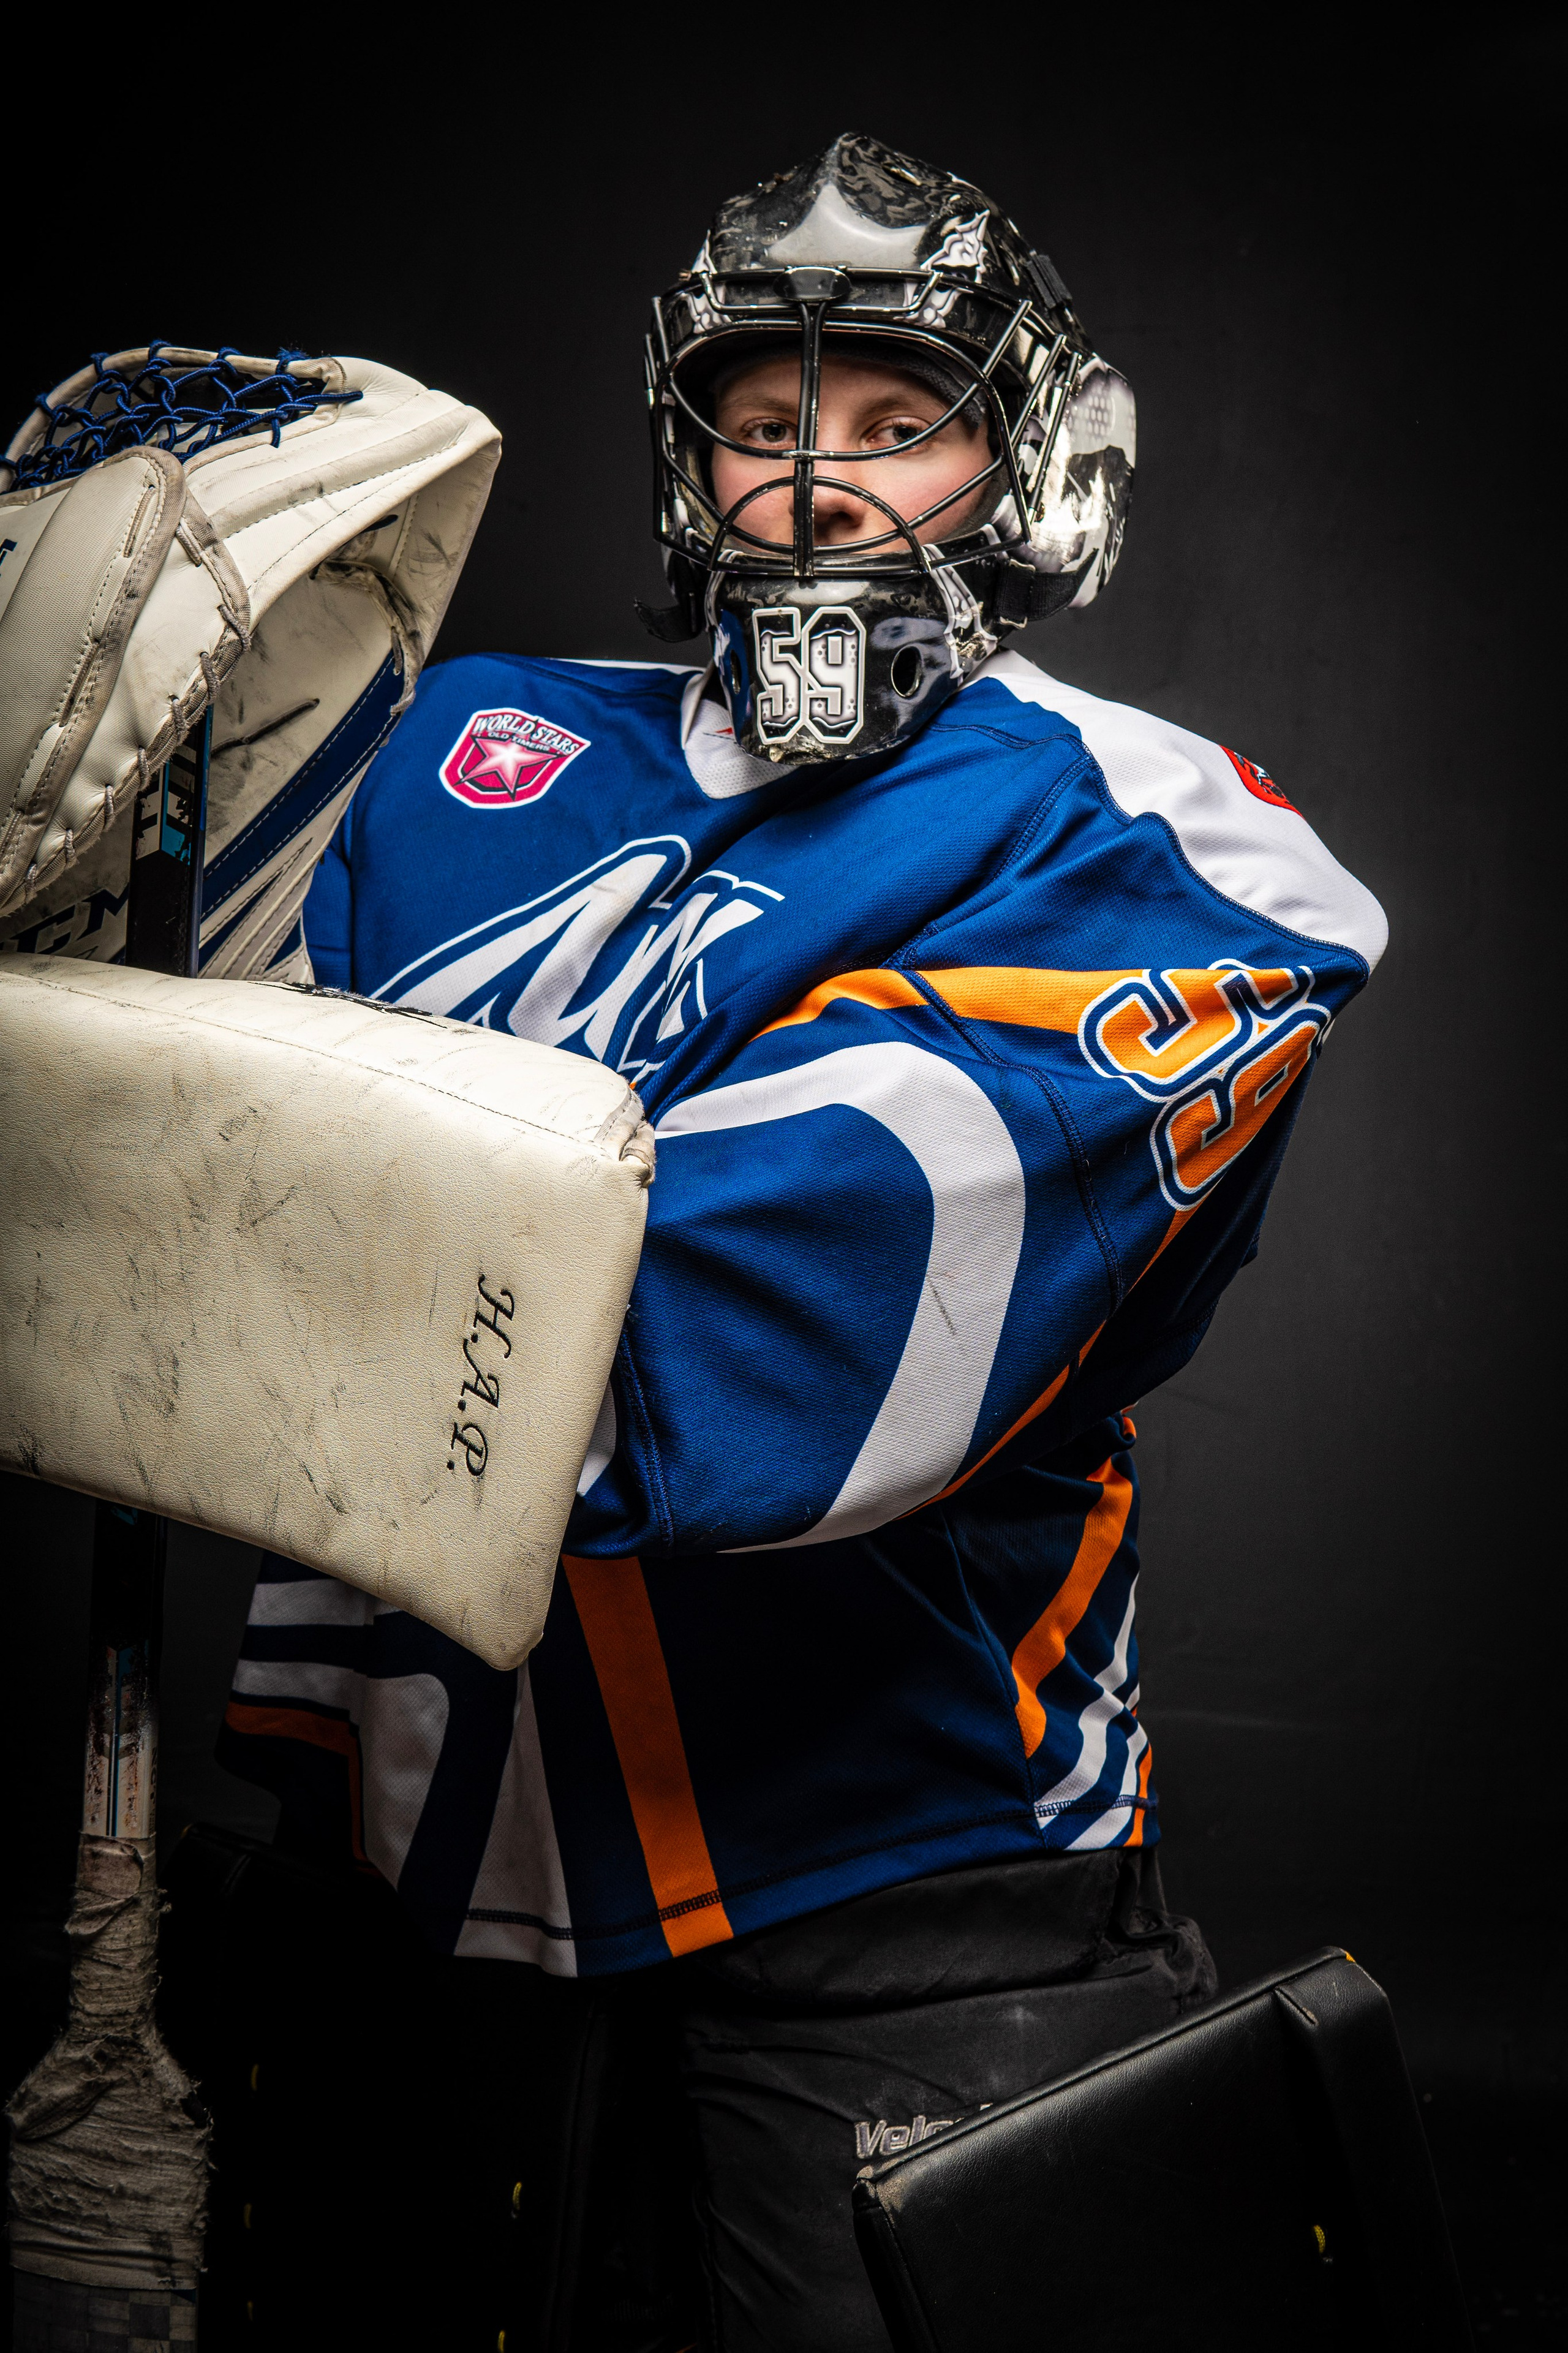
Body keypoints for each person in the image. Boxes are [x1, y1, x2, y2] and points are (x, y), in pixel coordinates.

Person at [215, 133, 1386, 2348]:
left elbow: (730, 1343)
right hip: (413, 1889)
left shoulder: (1184, 848)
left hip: (898, 1889)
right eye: (764, 425)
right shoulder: (463, 745)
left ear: (1030, 464)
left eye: (895, 421)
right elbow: (112, 1148)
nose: (817, 487)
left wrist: (229, 1237)